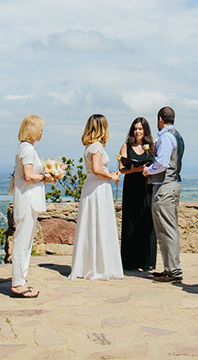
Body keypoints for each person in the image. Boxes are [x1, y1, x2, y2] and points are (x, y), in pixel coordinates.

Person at [10, 114, 59, 297]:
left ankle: (21, 279)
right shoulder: (27, 149)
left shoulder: (24, 148)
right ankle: (18, 282)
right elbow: (29, 176)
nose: (42, 132)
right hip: (27, 199)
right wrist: (45, 177)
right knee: (22, 242)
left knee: (26, 242)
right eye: (40, 129)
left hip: (26, 198)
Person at [69, 114, 123, 280]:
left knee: (92, 224)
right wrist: (112, 176)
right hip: (97, 188)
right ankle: (98, 266)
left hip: (93, 185)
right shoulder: (97, 146)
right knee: (98, 223)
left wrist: (109, 174)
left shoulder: (89, 146)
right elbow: (98, 169)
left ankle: (91, 263)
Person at [142, 106, 185, 283]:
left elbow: (162, 163)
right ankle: (169, 268)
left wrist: (148, 171)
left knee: (167, 229)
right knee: (168, 228)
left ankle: (173, 270)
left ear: (160, 119)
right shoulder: (177, 136)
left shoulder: (165, 137)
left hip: (165, 186)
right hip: (172, 184)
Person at [117, 117, 157, 272]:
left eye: (140, 128)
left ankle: (147, 261)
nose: (137, 131)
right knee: (131, 221)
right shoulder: (126, 146)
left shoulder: (151, 147)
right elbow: (122, 168)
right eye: (135, 128)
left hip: (147, 187)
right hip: (132, 187)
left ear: (145, 130)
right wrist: (137, 169)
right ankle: (129, 261)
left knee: (147, 221)